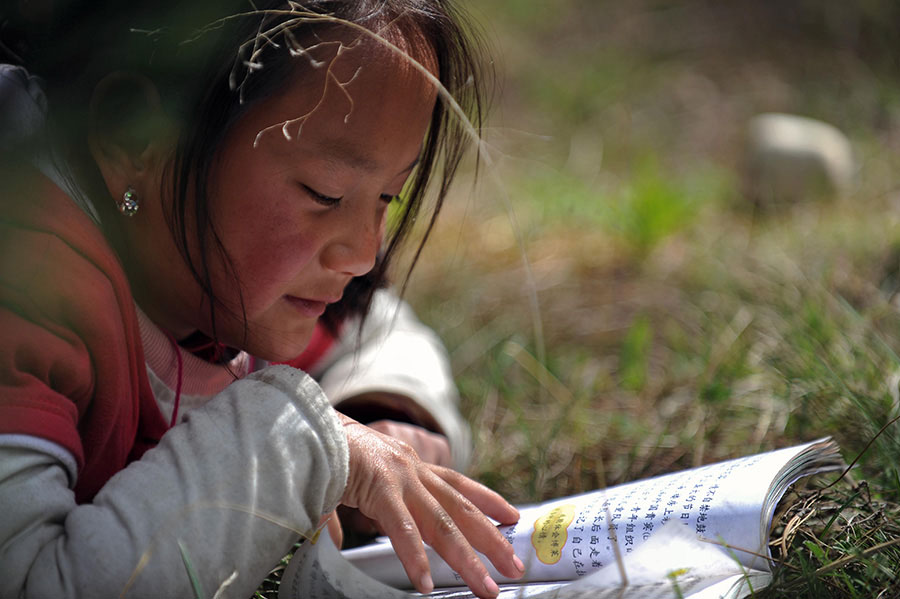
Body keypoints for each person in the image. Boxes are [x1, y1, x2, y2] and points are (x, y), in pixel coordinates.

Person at [0, 1, 526, 597]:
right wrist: (303, 443)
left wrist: (383, 419)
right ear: (134, 137)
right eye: (325, 193)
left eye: (388, 197)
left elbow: (378, 328)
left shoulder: (212, 278)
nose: (363, 255)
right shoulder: (26, 280)